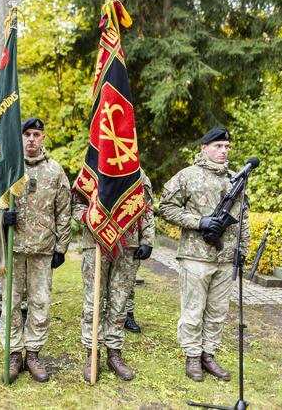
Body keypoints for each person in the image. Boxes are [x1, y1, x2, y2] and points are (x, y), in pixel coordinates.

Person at [159, 127, 250, 382]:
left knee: (218, 311)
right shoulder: (187, 176)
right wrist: (200, 222)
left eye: (227, 147)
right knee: (193, 310)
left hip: (225, 257)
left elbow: (243, 218)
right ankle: (192, 356)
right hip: (195, 257)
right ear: (204, 147)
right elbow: (165, 207)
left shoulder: (235, 179)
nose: (223, 151)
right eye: (218, 146)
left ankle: (208, 354)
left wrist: (242, 250)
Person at [0, 117, 71, 383]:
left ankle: (33, 353)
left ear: (43, 138)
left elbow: (64, 210)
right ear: (20, 138)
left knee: (40, 303)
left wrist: (61, 247)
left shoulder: (55, 171)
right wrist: (1, 218)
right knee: (11, 303)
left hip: (42, 249)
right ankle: (14, 353)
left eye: (36, 135)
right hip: (13, 249)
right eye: (27, 134)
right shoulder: (9, 169)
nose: (31, 139)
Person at [72, 169, 155, 382]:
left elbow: (146, 207)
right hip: (96, 243)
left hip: (128, 244)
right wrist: (92, 219)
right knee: (94, 301)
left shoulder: (136, 171)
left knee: (120, 302)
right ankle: (93, 353)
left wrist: (147, 240)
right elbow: (75, 205)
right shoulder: (91, 168)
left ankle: (114, 352)